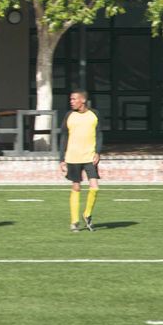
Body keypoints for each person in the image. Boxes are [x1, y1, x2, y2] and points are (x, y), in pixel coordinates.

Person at [59, 89, 103, 232]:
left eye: (74, 99)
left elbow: (99, 134)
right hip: (73, 157)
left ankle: (87, 214)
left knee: (95, 187)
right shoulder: (69, 116)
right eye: (70, 99)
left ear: (83, 100)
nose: (71, 101)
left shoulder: (94, 114)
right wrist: (62, 158)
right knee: (76, 187)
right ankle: (74, 222)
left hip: (89, 156)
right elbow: (64, 137)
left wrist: (98, 151)